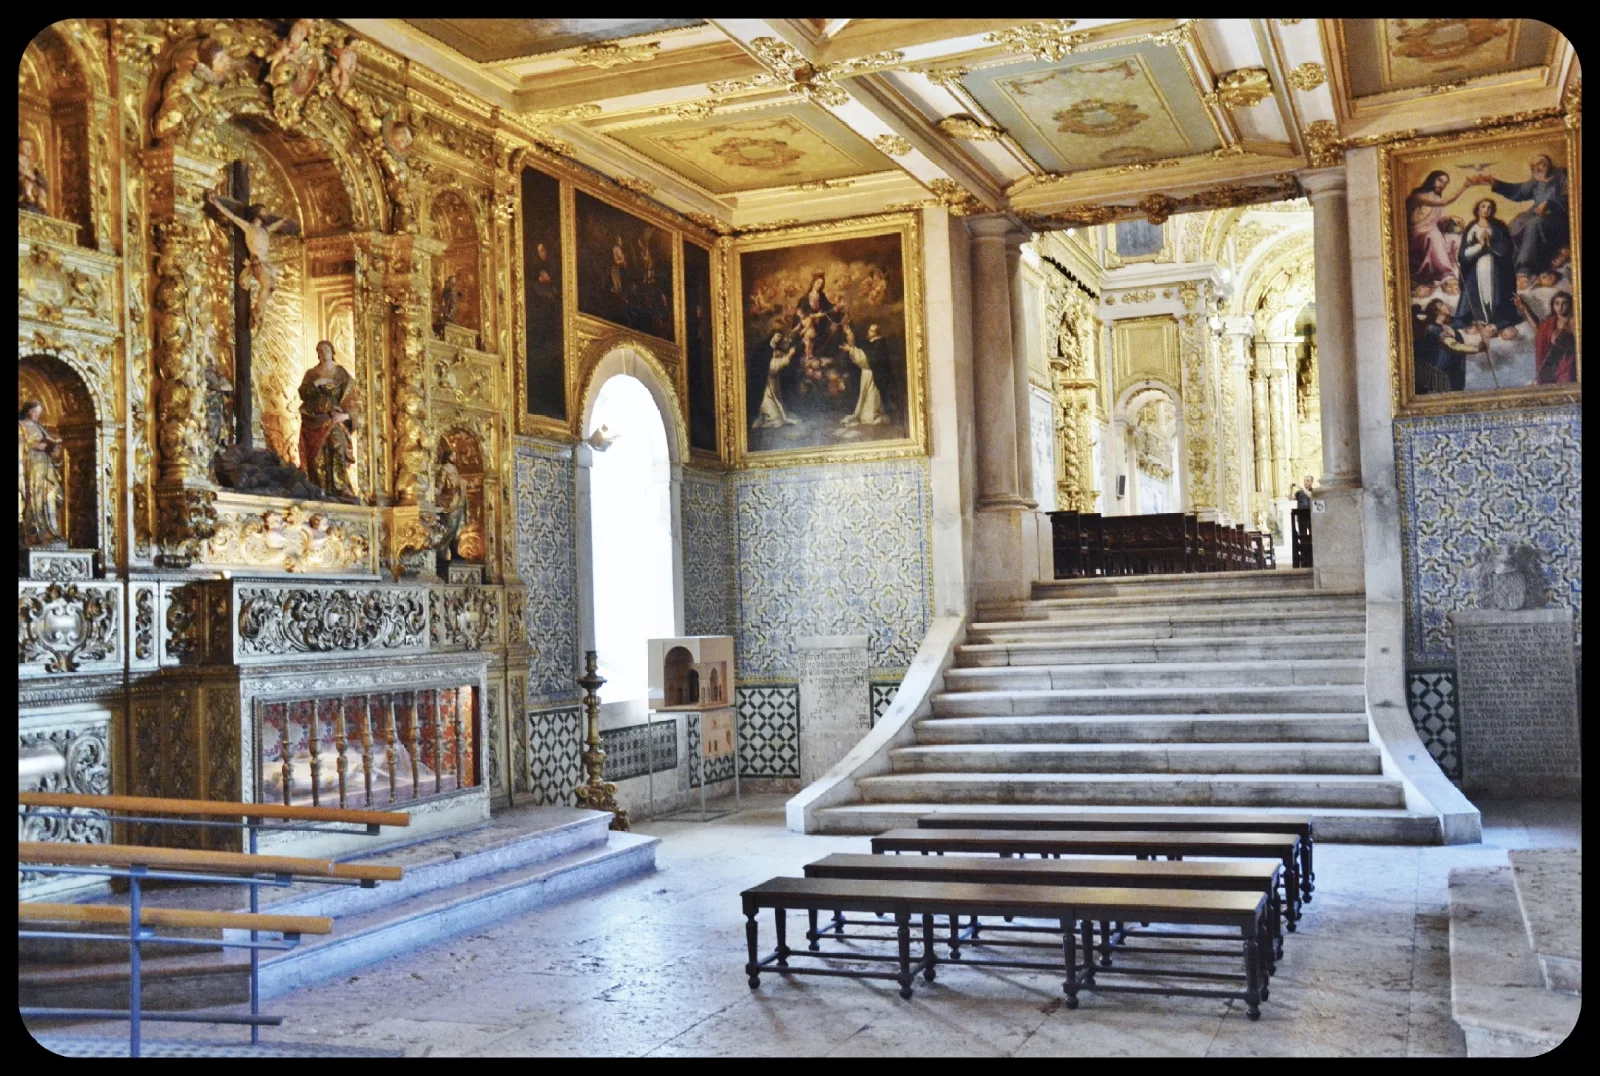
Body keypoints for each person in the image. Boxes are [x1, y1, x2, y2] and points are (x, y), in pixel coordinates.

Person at [1471, 153, 1569, 276]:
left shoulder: (1562, 175)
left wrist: (1550, 204)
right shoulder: (1536, 181)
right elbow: (1518, 191)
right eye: (1533, 166)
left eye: (1540, 164)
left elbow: (1572, 196)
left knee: (1533, 224)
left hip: (1558, 218)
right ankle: (1506, 264)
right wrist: (1495, 183)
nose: (1537, 168)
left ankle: (1525, 268)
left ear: (1549, 164)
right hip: (1537, 214)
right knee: (1516, 224)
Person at [297, 340, 359, 499]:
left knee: (338, 445)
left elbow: (352, 398)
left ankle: (341, 486)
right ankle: (319, 488)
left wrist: (346, 415)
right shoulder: (311, 374)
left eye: (326, 349)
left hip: (333, 418)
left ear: (332, 352)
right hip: (314, 419)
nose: (323, 352)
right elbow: (303, 393)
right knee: (317, 456)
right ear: (317, 354)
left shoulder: (341, 373)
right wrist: (318, 383)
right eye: (320, 350)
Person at [1455, 198, 1518, 329]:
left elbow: (1507, 249)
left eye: (1489, 207)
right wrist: (1480, 246)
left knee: (1496, 293)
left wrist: (1490, 245)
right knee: (1472, 292)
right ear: (1477, 209)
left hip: (1496, 268)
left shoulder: (1499, 226)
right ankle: (1474, 318)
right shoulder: (1471, 227)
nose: (1486, 210)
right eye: (1483, 206)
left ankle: (1497, 319)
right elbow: (1463, 254)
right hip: (1476, 269)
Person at [1404, 170, 1471, 284]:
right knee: (1434, 234)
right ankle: (1447, 274)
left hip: (1432, 234)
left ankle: (1457, 272)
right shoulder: (1418, 196)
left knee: (1455, 238)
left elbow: (1439, 221)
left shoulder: (1437, 199)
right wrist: (1464, 187)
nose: (1442, 185)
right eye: (1440, 180)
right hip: (1417, 237)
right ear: (1432, 179)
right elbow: (1444, 202)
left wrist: (1450, 219)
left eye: (1445, 183)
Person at [18, 401, 66, 548]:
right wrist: (34, 446)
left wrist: (53, 448)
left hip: (45, 467)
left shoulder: (40, 427)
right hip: (31, 467)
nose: (37, 415)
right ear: (27, 411)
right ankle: (34, 533)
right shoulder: (21, 426)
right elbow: (21, 445)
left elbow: (51, 450)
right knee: (34, 497)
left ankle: (50, 531)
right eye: (34, 412)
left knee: (49, 496)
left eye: (39, 413)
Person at [1416, 297, 1483, 392]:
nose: (1446, 305)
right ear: (1436, 311)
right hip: (1437, 374)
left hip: (1449, 371)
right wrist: (1477, 349)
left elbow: (1462, 323)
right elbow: (1453, 345)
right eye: (1442, 304)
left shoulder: (1448, 327)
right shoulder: (1433, 328)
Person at [1516, 290, 1577, 385]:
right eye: (1557, 303)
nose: (1560, 307)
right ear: (1553, 305)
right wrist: (1525, 309)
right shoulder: (1550, 322)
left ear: (1570, 305)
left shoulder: (1574, 321)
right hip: (1552, 360)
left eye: (1564, 303)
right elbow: (1539, 329)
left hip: (1569, 361)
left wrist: (1562, 342)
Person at [839, 324, 887, 427]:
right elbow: (860, 348)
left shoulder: (879, 344)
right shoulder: (871, 342)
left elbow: (866, 360)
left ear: (877, 333)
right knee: (864, 396)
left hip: (874, 376)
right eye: (869, 330)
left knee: (871, 398)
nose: (869, 332)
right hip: (867, 374)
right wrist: (849, 334)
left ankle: (874, 415)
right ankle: (866, 414)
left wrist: (850, 350)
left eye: (872, 331)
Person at [752, 332, 800, 429]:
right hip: (766, 380)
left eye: (780, 337)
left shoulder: (776, 349)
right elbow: (772, 368)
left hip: (773, 380)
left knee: (776, 398)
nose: (779, 338)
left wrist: (788, 355)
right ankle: (769, 417)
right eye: (777, 336)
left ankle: (773, 416)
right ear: (772, 336)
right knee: (768, 399)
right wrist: (789, 355)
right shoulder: (765, 348)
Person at [19, 136, 49, 214]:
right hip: (22, 180)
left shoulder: (31, 162)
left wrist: (37, 174)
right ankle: (28, 194)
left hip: (32, 182)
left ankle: (41, 200)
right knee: (27, 181)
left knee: (40, 188)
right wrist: (26, 174)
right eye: (25, 147)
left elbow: (38, 175)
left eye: (30, 148)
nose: (28, 149)